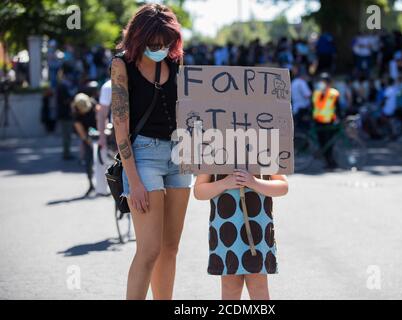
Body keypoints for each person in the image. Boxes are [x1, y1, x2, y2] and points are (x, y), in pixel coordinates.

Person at [111, 3, 192, 300]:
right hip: (143, 154)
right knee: (149, 250)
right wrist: (134, 182)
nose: (161, 48)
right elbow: (120, 128)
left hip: (179, 157)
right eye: (154, 43)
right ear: (138, 37)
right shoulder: (122, 65)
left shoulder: (176, 62)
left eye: (167, 42)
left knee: (170, 248)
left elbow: (193, 114)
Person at [194, 171, 288, 300]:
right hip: (226, 230)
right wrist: (224, 183)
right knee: (230, 287)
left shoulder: (263, 151)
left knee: (258, 285)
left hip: (258, 230)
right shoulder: (214, 152)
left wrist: (254, 182)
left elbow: (283, 186)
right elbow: (199, 191)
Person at [312, 73, 340, 169]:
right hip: (318, 121)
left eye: (323, 82)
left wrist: (340, 117)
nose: (321, 84)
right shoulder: (316, 93)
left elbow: (338, 107)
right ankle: (328, 162)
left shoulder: (334, 93)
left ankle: (331, 162)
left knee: (329, 144)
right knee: (323, 143)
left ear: (328, 83)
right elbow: (313, 106)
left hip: (329, 122)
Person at [72, 93, 97, 196]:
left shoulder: (94, 104)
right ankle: (91, 184)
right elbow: (81, 132)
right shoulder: (76, 114)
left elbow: (101, 117)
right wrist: (89, 142)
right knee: (88, 161)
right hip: (87, 137)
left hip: (100, 133)